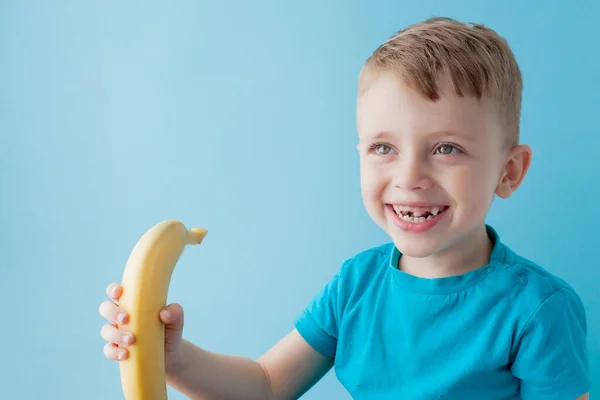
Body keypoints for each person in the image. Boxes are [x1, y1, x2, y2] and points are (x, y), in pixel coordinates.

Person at [99, 17, 590, 399]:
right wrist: (175, 358)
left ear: (509, 172)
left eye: (446, 149)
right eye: (384, 148)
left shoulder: (538, 310)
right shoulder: (356, 286)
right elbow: (267, 385)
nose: (409, 177)